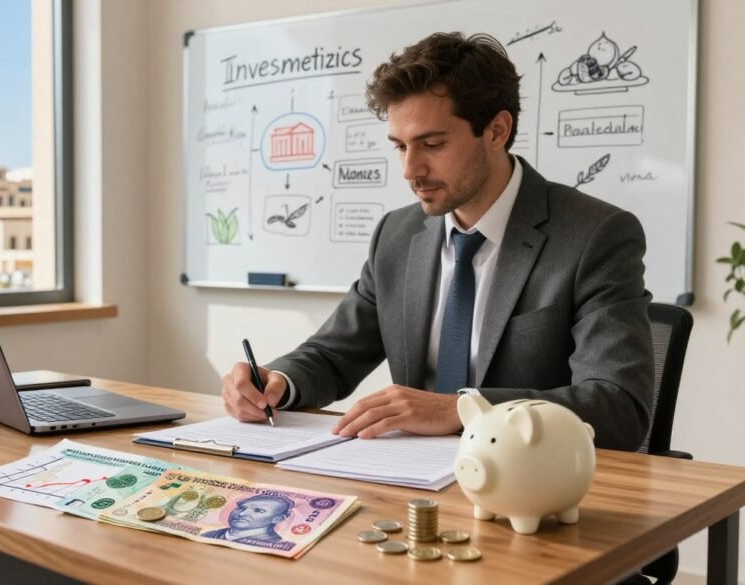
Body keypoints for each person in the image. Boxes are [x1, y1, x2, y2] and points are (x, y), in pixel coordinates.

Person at [220, 32, 653, 451]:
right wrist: (276, 381)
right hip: (410, 482)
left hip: (533, 489)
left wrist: (464, 409)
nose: (410, 170)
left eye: (431, 144)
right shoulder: (397, 234)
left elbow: (618, 407)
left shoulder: (595, 235)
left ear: (497, 130)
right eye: (400, 147)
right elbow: (333, 354)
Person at [200, 494, 294, 544]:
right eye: (241, 508)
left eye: (258, 511)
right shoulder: (209, 534)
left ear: (277, 519)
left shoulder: (275, 542)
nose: (242, 514)